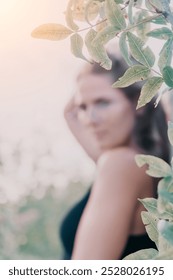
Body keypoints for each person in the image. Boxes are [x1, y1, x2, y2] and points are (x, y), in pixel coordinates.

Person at [60, 54, 170, 260]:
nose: (89, 119)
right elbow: (70, 115)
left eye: (102, 102)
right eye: (83, 106)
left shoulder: (120, 164)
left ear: (140, 102)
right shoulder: (145, 164)